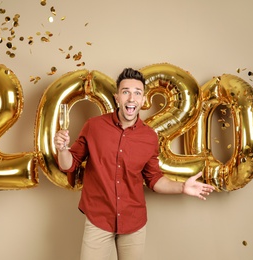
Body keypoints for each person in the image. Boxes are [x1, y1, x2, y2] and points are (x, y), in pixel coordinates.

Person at [54, 68, 215, 260]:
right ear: (117, 98)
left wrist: (182, 187)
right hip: (98, 218)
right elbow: (68, 165)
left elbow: (154, 179)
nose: (131, 98)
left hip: (133, 222)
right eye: (126, 92)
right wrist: (62, 149)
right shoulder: (94, 126)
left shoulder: (149, 137)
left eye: (137, 93)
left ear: (143, 99)